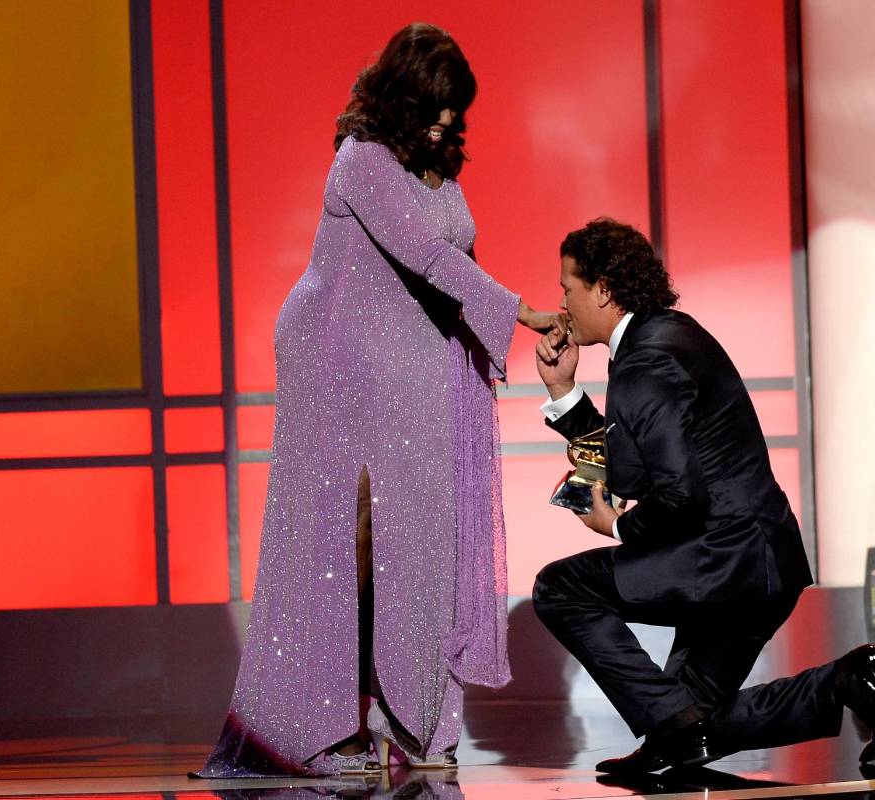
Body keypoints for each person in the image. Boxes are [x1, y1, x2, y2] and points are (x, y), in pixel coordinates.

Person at [196, 23, 559, 777]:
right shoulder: (360, 161)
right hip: (336, 360)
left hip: (412, 367)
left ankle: (410, 720)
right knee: (341, 545)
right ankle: (312, 728)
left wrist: (484, 327)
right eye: (439, 106)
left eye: (457, 109)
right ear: (404, 96)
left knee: (420, 543)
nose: (450, 122)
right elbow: (423, 255)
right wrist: (517, 310)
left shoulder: (436, 169)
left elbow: (453, 256)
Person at [532, 219, 875, 773]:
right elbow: (634, 463)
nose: (561, 301)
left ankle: (672, 728)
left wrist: (618, 528)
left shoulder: (645, 359)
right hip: (762, 558)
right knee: (690, 728)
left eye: (567, 287)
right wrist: (564, 391)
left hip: (726, 560)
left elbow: (677, 493)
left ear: (603, 289)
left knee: (559, 589)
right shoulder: (669, 333)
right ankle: (843, 682)